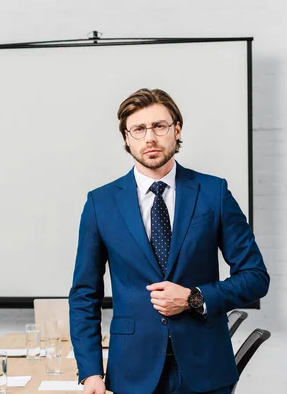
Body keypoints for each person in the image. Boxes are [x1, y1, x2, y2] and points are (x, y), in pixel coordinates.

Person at [68, 88, 270, 394]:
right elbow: (84, 295)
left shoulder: (213, 192)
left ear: (176, 129)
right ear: (127, 138)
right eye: (138, 129)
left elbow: (256, 278)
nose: (150, 137)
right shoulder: (100, 204)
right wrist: (91, 372)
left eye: (159, 126)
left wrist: (193, 298)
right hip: (132, 372)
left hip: (206, 370)